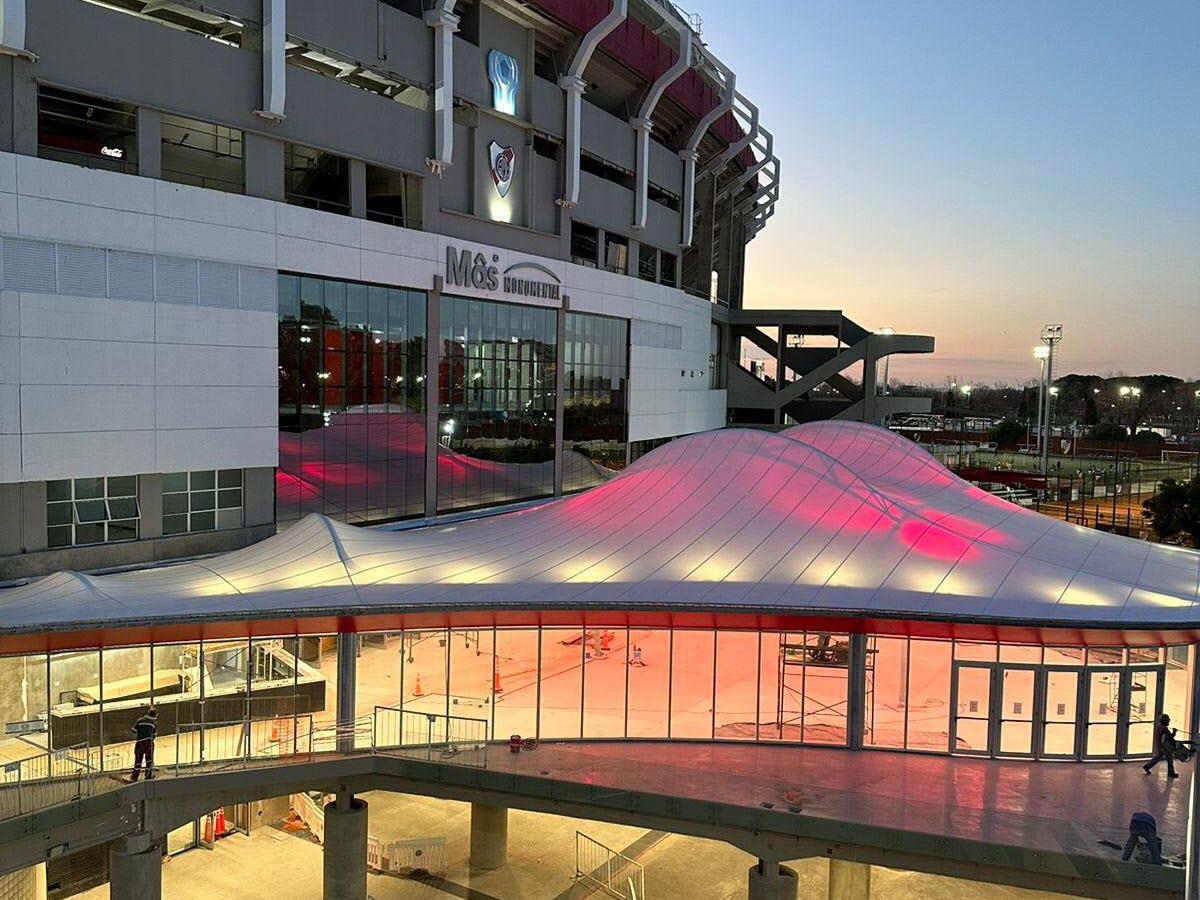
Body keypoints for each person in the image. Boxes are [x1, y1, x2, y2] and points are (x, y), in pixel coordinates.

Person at [1143, 713, 1179, 778]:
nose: (1168, 722)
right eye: (1168, 721)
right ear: (1165, 721)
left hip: (1159, 745)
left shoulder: (1158, 726)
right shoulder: (1165, 728)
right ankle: (1171, 772)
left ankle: (1147, 766)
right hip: (1164, 746)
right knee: (1170, 759)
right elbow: (1170, 738)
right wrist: (1174, 732)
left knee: (1158, 757)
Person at [130, 707, 159, 782]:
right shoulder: (154, 723)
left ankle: (134, 777)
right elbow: (155, 734)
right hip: (149, 743)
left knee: (138, 760)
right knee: (149, 760)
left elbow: (133, 730)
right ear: (154, 715)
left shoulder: (139, 720)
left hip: (139, 742)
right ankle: (148, 776)